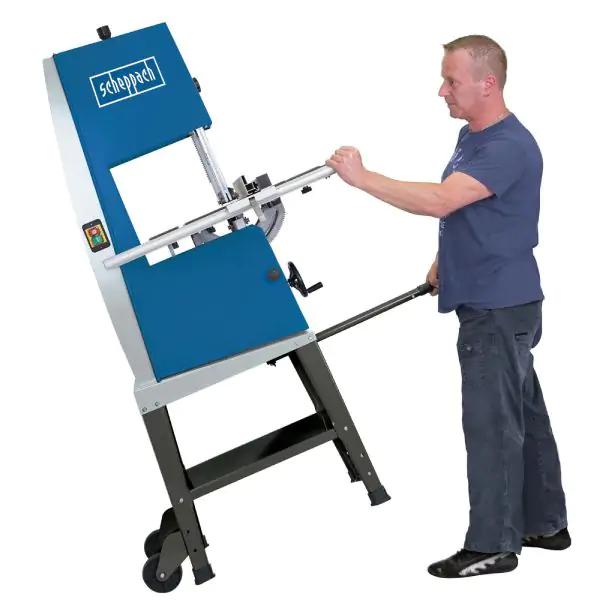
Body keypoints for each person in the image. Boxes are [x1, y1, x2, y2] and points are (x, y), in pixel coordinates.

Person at [325, 34, 569, 579]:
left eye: (451, 81)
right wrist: (446, 257)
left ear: (488, 84)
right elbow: (470, 208)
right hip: (500, 298)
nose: (442, 91)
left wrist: (362, 179)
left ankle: (492, 545)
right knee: (522, 413)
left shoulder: (508, 146)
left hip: (497, 308)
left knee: (491, 426)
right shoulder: (472, 137)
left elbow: (441, 201)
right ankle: (546, 523)